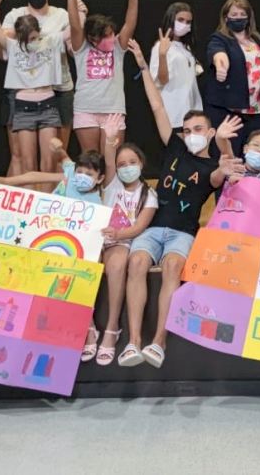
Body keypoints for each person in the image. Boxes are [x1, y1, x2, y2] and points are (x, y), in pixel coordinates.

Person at [119, 38, 239, 368]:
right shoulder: (174, 147)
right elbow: (157, 106)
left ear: (210, 132)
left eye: (198, 129)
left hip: (182, 234)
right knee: (137, 263)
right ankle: (132, 342)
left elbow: (223, 174)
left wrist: (225, 146)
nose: (190, 134)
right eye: (187, 130)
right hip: (152, 228)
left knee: (172, 266)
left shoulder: (212, 166)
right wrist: (143, 67)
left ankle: (158, 342)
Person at [0, 0, 67, 184]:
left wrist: (75, 3)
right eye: (28, 39)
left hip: (48, 104)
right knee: (27, 162)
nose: (32, 42)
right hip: (23, 107)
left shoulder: (50, 41)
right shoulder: (12, 46)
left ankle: (46, 201)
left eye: (35, 37)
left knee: (49, 162)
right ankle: (30, 200)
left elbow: (76, 27)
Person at [60, 0, 138, 157]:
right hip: (86, 110)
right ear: (92, 38)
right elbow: (75, 26)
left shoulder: (117, 47)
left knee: (112, 158)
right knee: (91, 159)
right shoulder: (81, 48)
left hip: (113, 110)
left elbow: (130, 24)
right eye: (105, 36)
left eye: (111, 34)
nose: (110, 38)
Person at [93, 142, 158, 366]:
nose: (127, 167)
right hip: (98, 239)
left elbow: (139, 227)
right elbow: (109, 155)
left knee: (118, 265)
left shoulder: (149, 194)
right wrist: (110, 139)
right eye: (121, 164)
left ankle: (112, 327)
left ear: (141, 164)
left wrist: (118, 234)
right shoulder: (112, 185)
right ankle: (87, 326)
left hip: (122, 241)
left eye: (132, 162)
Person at [0, 0, 76, 151]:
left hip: (59, 87)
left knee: (58, 150)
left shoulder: (61, 15)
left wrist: (78, 11)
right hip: (23, 90)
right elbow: (3, 44)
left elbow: (73, 43)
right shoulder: (15, 15)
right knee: (20, 153)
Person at [205, 0, 260, 157]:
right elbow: (218, 54)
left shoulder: (257, 39)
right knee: (231, 155)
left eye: (242, 14)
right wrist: (221, 66)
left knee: (255, 155)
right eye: (234, 14)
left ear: (248, 17)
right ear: (226, 17)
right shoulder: (220, 38)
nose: (238, 18)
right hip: (232, 110)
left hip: (257, 109)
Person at [150, 2, 203, 130]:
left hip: (191, 111)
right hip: (172, 113)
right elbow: (161, 80)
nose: (184, 24)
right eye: (180, 20)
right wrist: (162, 55)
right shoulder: (160, 46)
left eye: (188, 22)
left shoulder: (186, 48)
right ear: (171, 19)